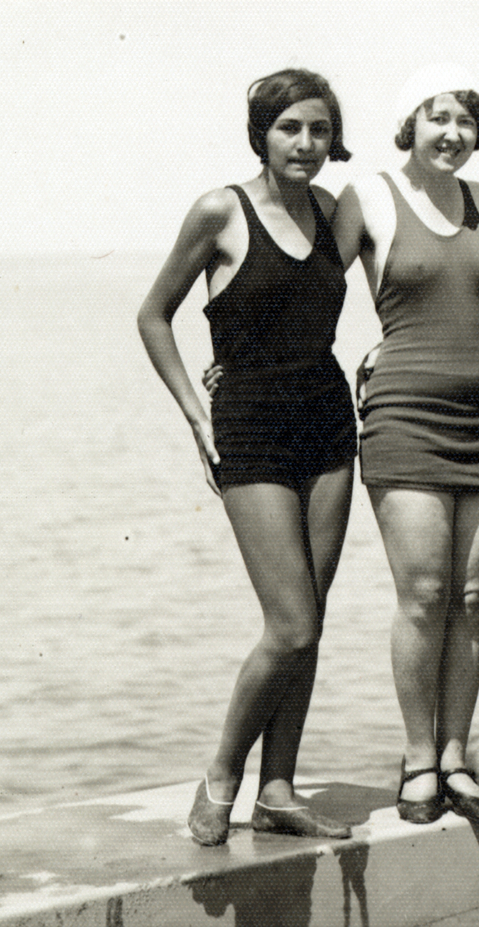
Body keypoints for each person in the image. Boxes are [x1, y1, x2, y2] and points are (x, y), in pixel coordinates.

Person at [137, 68, 355, 846]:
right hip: (251, 427)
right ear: (261, 132)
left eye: (320, 130)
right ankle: (222, 774)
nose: (306, 143)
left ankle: (281, 788)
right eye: (290, 127)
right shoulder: (220, 210)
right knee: (290, 624)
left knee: (313, 620)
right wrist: (197, 417)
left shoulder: (336, 212)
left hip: (330, 422)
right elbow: (153, 315)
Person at [331, 64, 479, 825]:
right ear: (408, 121)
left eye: (466, 121)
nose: (451, 132)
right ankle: (417, 759)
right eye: (436, 116)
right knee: (424, 593)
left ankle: (454, 756)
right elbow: (312, 289)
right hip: (405, 414)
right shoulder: (369, 195)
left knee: (471, 597)